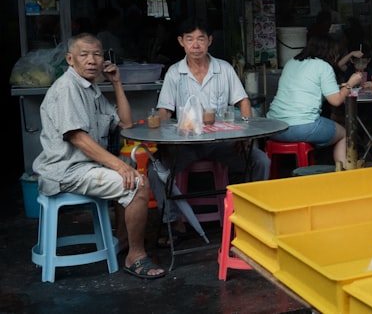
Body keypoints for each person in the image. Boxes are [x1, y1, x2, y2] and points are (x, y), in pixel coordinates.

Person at [32, 33, 166, 279]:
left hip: (87, 166)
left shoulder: (90, 89)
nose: (92, 60)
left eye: (97, 54)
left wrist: (116, 83)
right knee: (137, 183)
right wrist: (120, 167)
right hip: (67, 170)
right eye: (84, 55)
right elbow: (78, 138)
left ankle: (123, 240)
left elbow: (125, 122)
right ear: (70, 59)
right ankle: (135, 257)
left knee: (128, 168)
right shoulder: (67, 88)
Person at [148, 17, 270, 244]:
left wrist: (245, 136)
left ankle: (251, 217)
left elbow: (243, 102)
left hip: (223, 144)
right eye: (190, 39)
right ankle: (174, 221)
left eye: (201, 39)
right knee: (155, 169)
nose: (195, 45)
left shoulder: (223, 69)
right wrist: (164, 141)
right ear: (181, 42)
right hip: (186, 146)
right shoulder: (175, 73)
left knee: (260, 160)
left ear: (210, 41)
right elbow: (164, 111)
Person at [267, 35, 363, 169]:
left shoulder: (291, 62)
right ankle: (345, 174)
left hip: (274, 127)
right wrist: (350, 83)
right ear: (330, 52)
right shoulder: (323, 67)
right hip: (301, 127)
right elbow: (336, 101)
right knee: (344, 134)